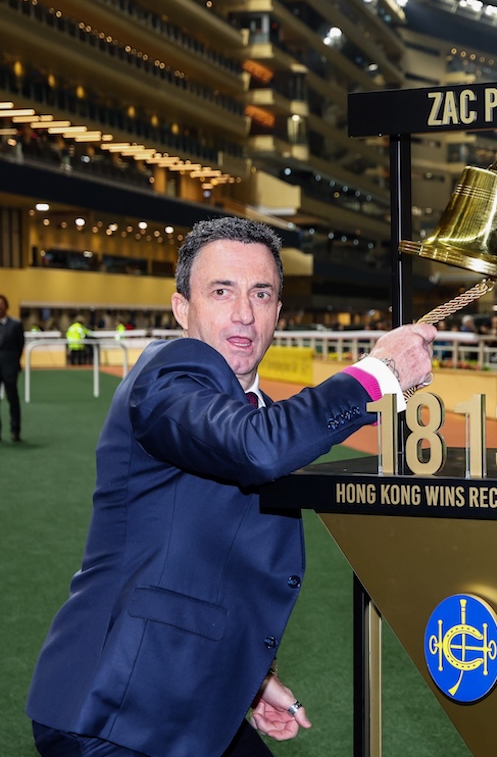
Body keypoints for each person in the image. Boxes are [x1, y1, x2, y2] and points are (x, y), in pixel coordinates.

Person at [26, 217, 436, 757]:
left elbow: (214, 556)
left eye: (260, 294)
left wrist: (251, 677)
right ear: (182, 309)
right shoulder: (165, 376)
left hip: (194, 701)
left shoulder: (263, 418)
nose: (244, 312)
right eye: (221, 291)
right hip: (116, 710)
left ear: (278, 314)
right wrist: (380, 374)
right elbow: (258, 447)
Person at [0, 293, 24, 442]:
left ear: (6, 307)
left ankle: (15, 430)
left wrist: (13, 362)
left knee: (13, 400)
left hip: (10, 368)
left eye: (1, 305)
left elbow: (20, 345)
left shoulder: (15, 325)